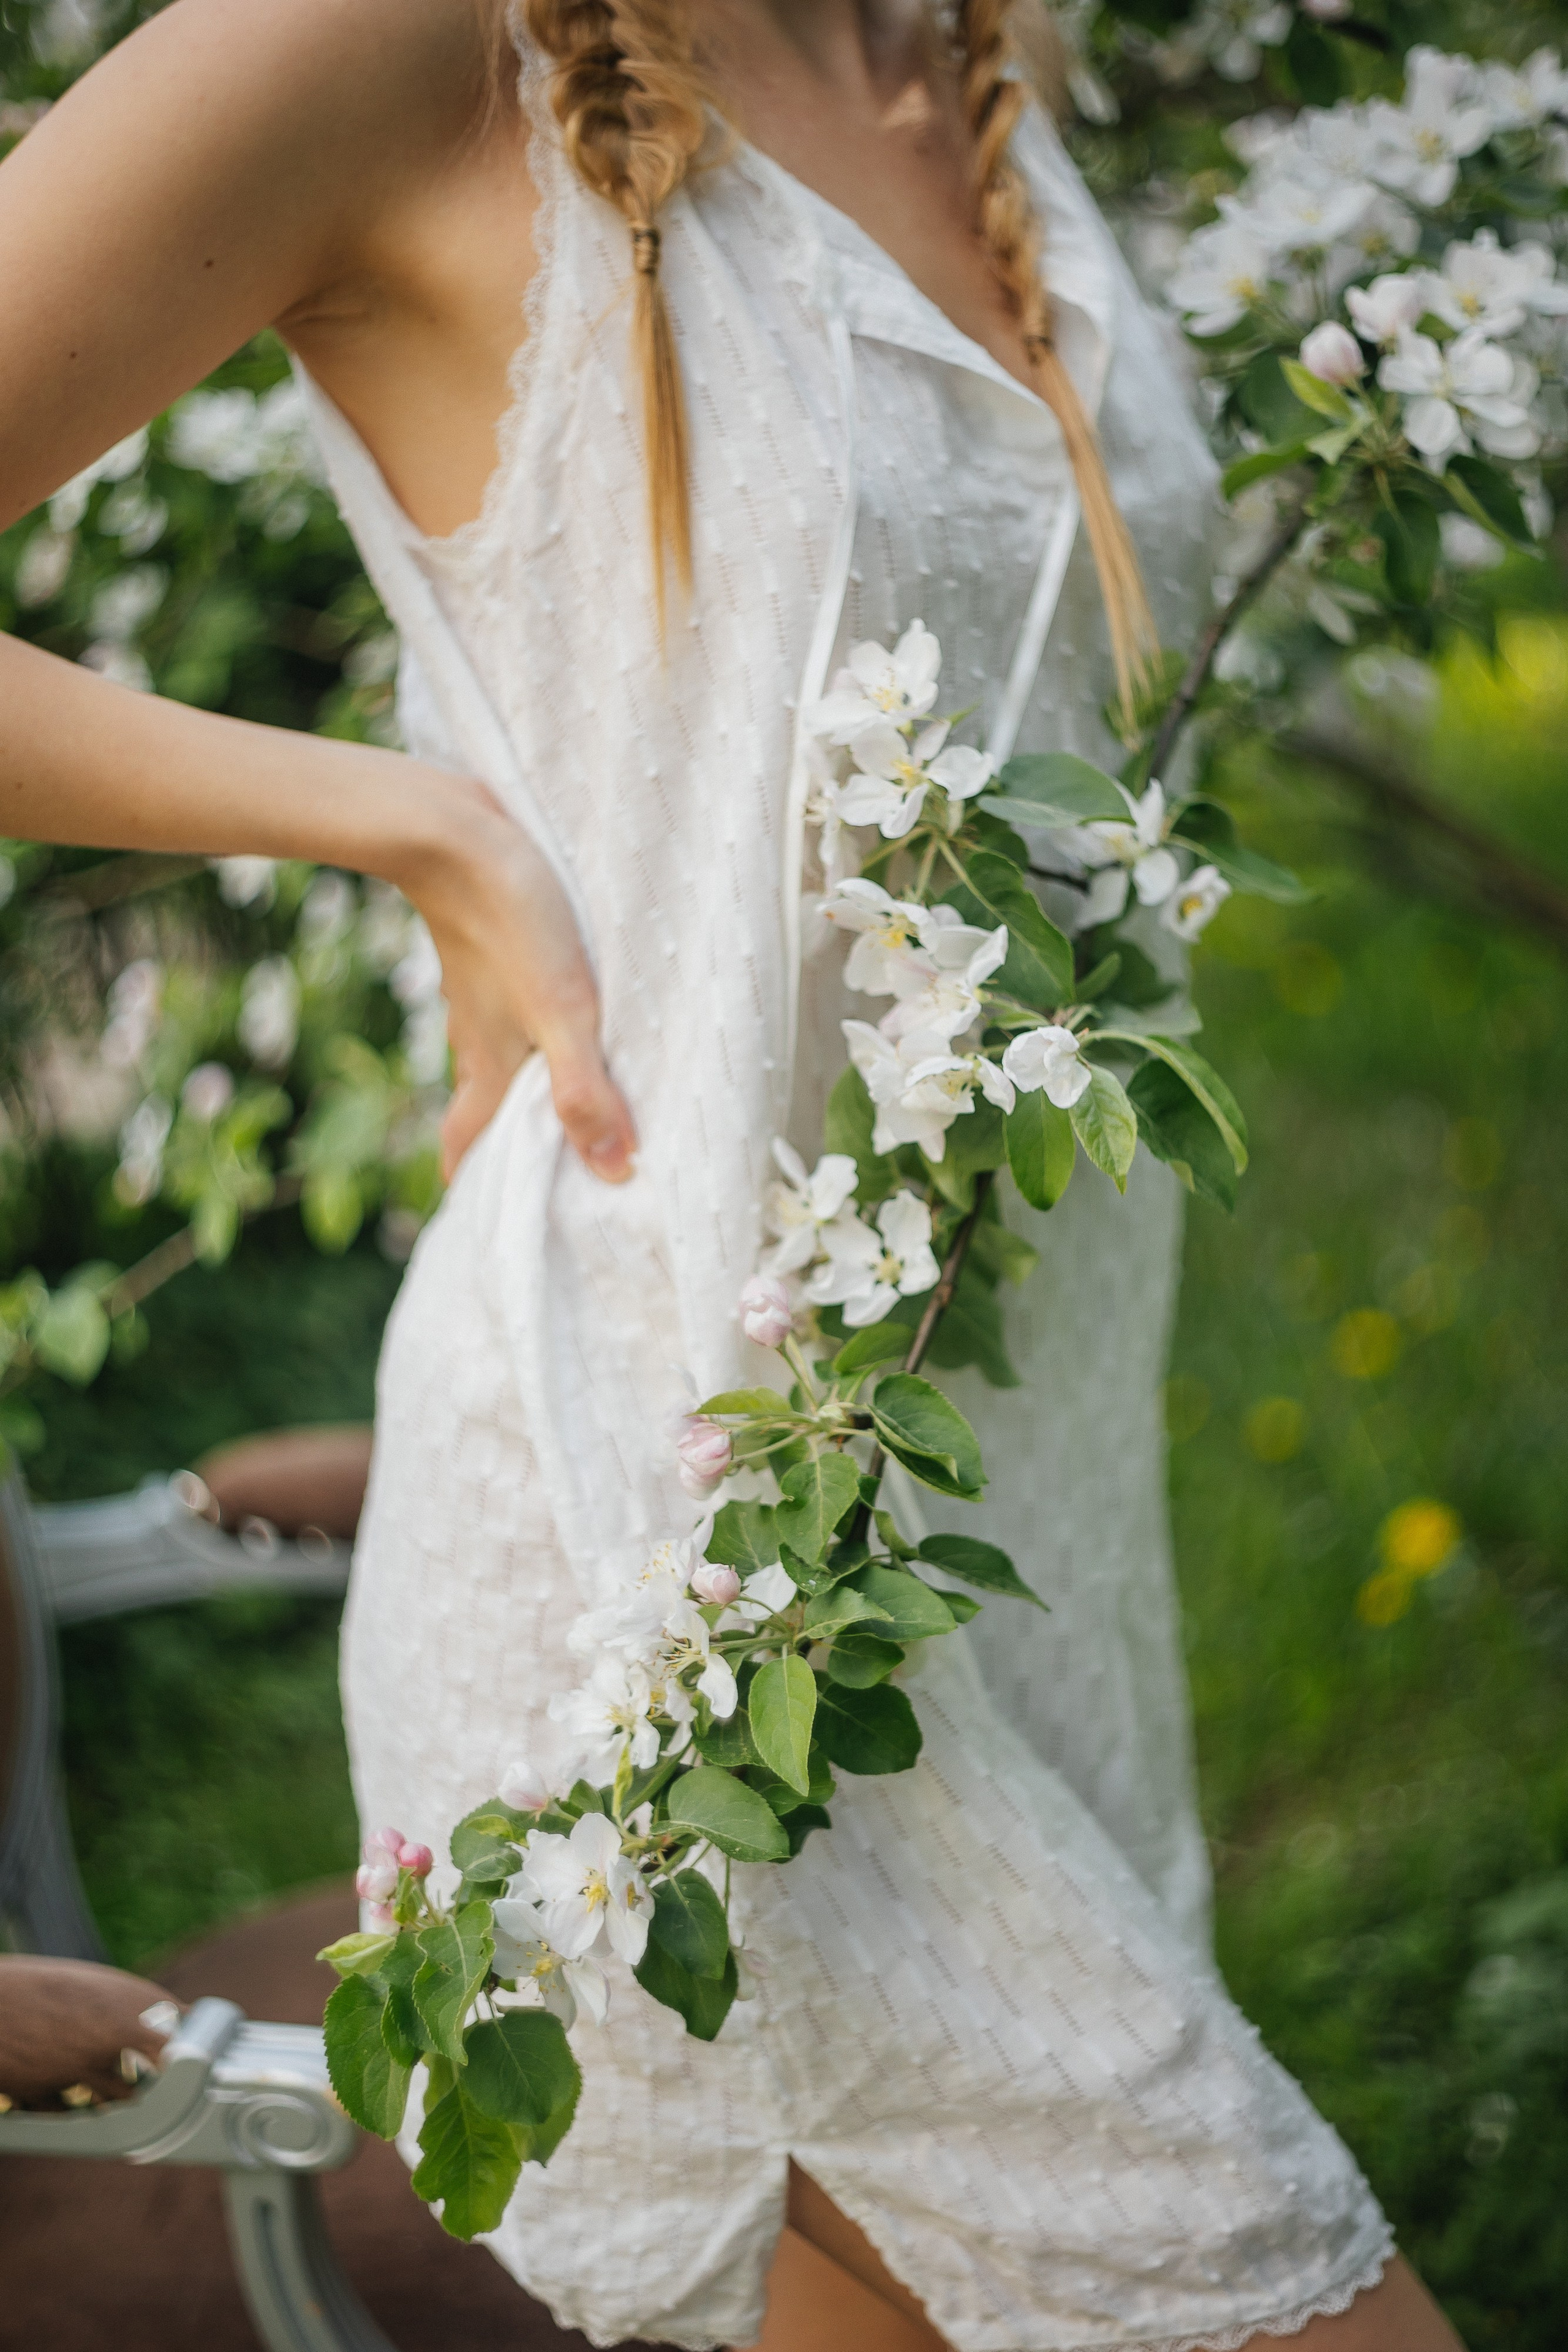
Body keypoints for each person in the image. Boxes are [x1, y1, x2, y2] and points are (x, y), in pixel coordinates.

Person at [0, 4, 1464, 2346]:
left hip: (999, 1555)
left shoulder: (960, 48)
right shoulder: (385, 41)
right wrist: (422, 826)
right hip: (668, 1606)